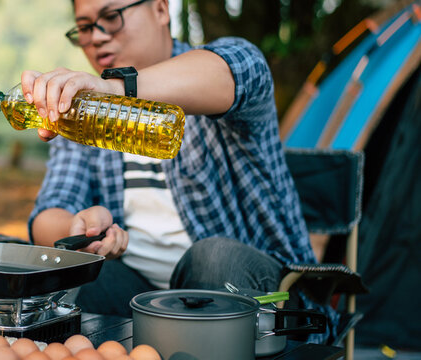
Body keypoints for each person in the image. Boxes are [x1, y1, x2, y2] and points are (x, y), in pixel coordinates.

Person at [22, 0, 335, 343]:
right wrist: (78, 228)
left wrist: (116, 88)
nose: (96, 37)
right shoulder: (80, 114)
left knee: (213, 259)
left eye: (111, 17)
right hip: (141, 301)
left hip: (258, 298)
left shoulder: (210, 75)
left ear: (160, 9)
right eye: (84, 27)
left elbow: (243, 67)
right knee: (72, 277)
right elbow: (47, 214)